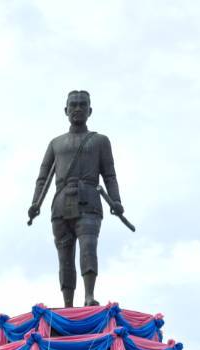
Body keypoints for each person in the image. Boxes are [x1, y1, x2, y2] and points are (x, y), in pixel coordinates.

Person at [27, 89, 125, 308]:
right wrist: (35, 202)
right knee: (64, 253)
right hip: (61, 203)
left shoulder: (100, 141)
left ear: (90, 110)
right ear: (66, 110)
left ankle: (89, 295)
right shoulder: (56, 143)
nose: (78, 108)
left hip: (88, 199)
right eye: (73, 105)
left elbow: (109, 175)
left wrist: (116, 200)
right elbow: (43, 177)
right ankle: (68, 303)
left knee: (88, 246)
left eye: (82, 104)